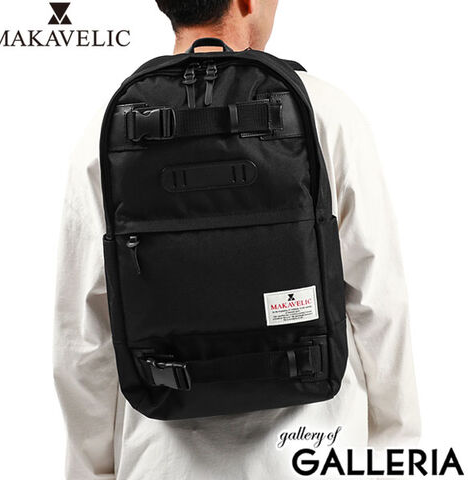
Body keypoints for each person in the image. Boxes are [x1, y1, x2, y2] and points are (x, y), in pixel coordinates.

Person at [53, 0, 421, 478]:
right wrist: (396, 450)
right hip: (312, 455)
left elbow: (83, 341)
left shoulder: (106, 134)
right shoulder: (326, 113)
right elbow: (380, 302)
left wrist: (93, 471)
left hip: (162, 464)